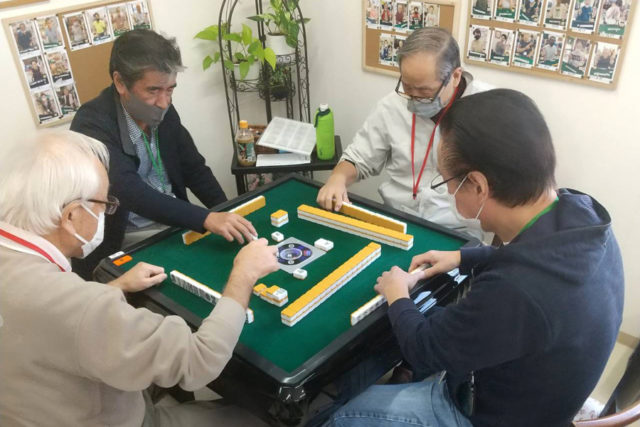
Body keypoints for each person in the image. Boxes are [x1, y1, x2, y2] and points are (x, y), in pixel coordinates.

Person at [325, 89, 624, 427]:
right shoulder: (583, 212)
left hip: (492, 415)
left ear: (479, 186)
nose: (448, 191)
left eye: (448, 182)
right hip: (545, 391)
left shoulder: (513, 291)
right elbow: (527, 258)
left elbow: (423, 349)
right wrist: (463, 257)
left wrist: (397, 294)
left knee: (343, 417)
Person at [0, 130, 277, 426]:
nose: (106, 213)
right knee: (258, 418)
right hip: (114, 418)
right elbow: (200, 361)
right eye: (104, 205)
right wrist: (244, 274)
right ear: (71, 216)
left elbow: (52, 321)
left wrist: (114, 288)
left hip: (43, 403)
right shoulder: (83, 306)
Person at [71, 29, 256, 279]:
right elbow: (129, 191)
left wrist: (228, 211)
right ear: (120, 83)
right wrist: (206, 218)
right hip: (126, 238)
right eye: (153, 90)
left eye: (170, 90)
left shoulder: (163, 110)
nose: (164, 102)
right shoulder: (91, 124)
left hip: (174, 223)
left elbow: (194, 169)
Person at [318, 28, 491, 242]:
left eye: (425, 92)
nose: (414, 99)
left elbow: (516, 191)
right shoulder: (391, 105)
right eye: (407, 87)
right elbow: (359, 157)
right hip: (398, 220)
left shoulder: (491, 109)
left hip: (458, 232)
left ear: (455, 76)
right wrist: (338, 178)